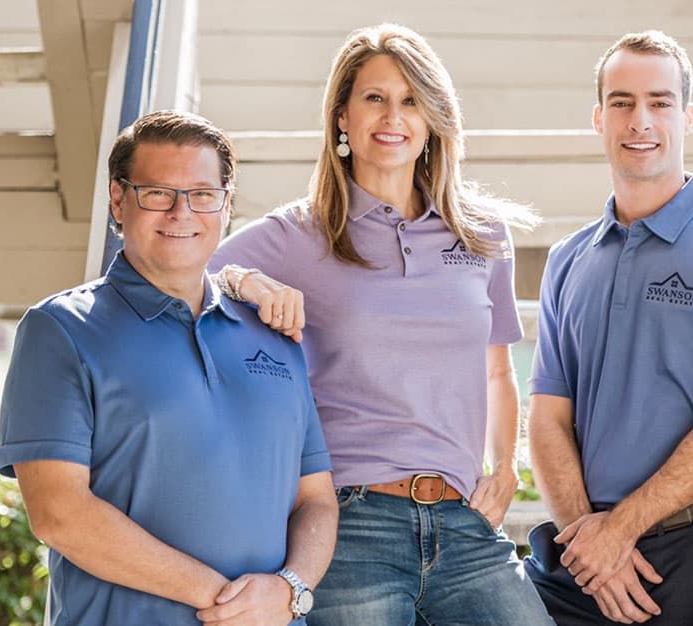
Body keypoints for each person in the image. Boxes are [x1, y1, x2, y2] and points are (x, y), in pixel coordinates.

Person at [209, 24, 553, 625]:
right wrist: (248, 281)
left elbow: (496, 370)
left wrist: (506, 468)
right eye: (374, 97)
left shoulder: (482, 235)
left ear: (432, 120)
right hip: (349, 524)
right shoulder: (300, 233)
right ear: (342, 116)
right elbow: (177, 272)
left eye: (411, 100)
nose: (393, 116)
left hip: (464, 524)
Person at [0, 110, 337, 625]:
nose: (182, 213)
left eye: (202, 194)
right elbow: (60, 515)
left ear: (226, 205)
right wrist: (228, 601)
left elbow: (316, 500)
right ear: (118, 199)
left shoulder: (275, 334)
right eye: (157, 193)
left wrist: (289, 591)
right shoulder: (60, 330)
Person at [523, 30, 693, 625]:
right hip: (583, 556)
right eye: (621, 102)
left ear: (687, 116)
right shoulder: (568, 259)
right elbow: (547, 416)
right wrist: (593, 541)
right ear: (599, 118)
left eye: (659, 102)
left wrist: (622, 529)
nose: (639, 119)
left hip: (689, 552)